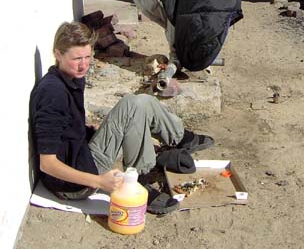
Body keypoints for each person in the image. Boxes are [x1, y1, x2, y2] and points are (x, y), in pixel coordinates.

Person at [30, 21, 214, 214]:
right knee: (131, 105)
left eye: (87, 56)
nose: (83, 64)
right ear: (58, 54)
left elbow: (66, 128)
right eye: (77, 58)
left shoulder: (71, 77)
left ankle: (179, 138)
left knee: (140, 101)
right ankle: (137, 181)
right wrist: (99, 181)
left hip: (81, 155)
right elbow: (47, 164)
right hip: (72, 185)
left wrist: (89, 129)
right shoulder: (53, 94)